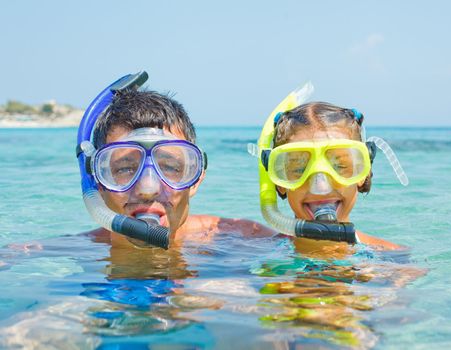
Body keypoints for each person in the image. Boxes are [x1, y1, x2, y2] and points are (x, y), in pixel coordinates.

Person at [77, 72, 274, 249]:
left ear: (196, 178)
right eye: (125, 169)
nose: (148, 189)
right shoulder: (63, 253)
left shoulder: (249, 240)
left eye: (170, 167)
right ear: (98, 182)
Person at [254, 84, 409, 253]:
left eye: (341, 165)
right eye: (298, 169)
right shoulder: (253, 247)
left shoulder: (393, 260)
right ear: (279, 181)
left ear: (362, 172)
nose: (320, 187)